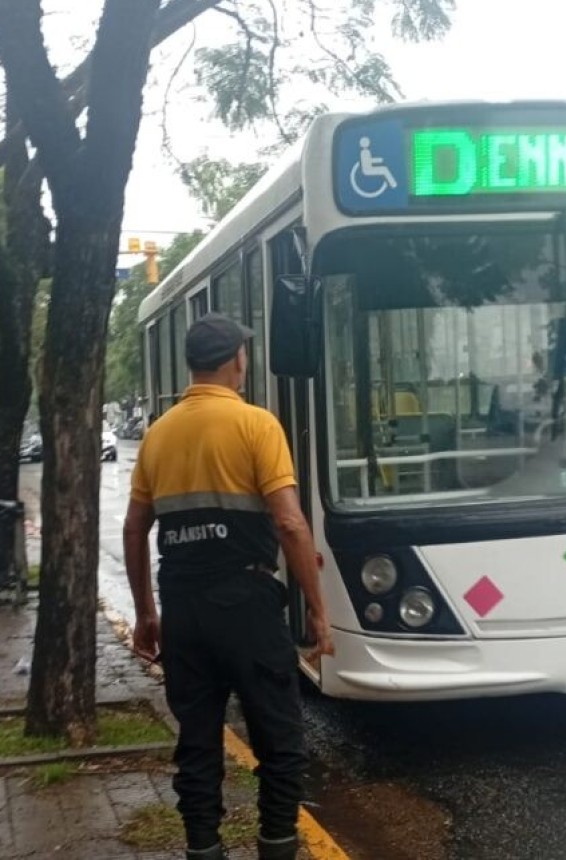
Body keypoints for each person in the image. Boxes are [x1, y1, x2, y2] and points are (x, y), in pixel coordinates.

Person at [123, 312, 334, 860]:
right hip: (247, 606)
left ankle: (203, 849)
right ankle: (277, 845)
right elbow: (289, 523)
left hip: (184, 610)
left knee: (197, 744)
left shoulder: (157, 435)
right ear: (236, 360)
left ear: (194, 364)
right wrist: (318, 609)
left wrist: (148, 614)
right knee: (280, 741)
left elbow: (134, 527)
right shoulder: (256, 425)